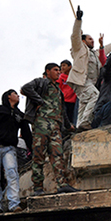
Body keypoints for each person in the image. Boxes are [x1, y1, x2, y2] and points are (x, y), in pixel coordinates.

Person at [21, 63, 78, 196]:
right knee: (39, 154)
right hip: (42, 122)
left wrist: (68, 125)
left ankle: (62, 184)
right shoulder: (41, 82)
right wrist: (40, 101)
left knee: (57, 155)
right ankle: (38, 187)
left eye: (59, 70)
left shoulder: (58, 89)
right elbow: (25, 88)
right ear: (48, 71)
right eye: (55, 70)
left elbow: (62, 109)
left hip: (55, 125)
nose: (58, 72)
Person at [66, 6, 111, 130]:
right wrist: (78, 20)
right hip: (81, 80)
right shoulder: (79, 49)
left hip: (89, 83)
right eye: (89, 39)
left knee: (83, 104)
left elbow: (105, 50)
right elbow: (75, 36)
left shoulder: (94, 53)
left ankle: (79, 127)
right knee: (95, 96)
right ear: (83, 41)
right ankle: (85, 122)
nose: (92, 41)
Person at [58, 59, 78, 126]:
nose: (62, 67)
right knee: (65, 118)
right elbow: (59, 88)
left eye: (64, 65)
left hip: (74, 100)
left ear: (70, 67)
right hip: (64, 100)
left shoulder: (74, 76)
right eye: (61, 66)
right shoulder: (61, 77)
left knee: (73, 117)